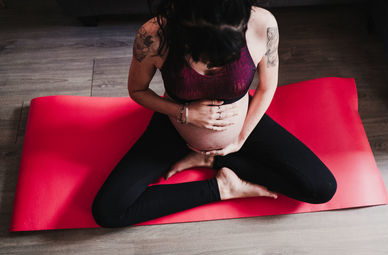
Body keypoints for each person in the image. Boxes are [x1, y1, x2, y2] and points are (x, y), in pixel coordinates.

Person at [91, 0, 337, 228]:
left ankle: (214, 160)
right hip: (175, 126)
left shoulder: (263, 24)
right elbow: (137, 90)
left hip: (242, 126)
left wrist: (239, 138)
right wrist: (184, 113)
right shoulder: (155, 34)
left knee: (321, 188)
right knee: (108, 210)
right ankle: (221, 188)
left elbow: (266, 87)